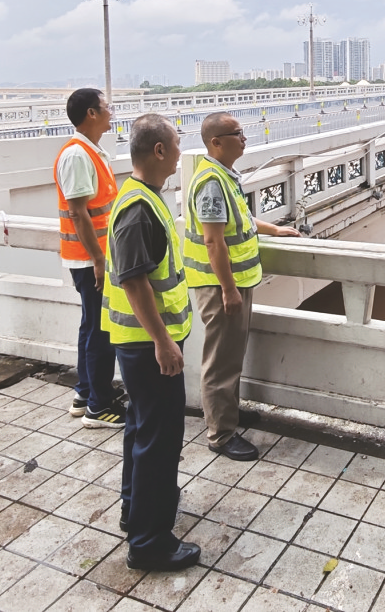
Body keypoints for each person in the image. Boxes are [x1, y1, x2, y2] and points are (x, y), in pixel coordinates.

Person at [102, 113, 200, 572]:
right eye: (177, 143)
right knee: (160, 441)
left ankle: (133, 511)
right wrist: (164, 342)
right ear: (159, 151)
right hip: (147, 347)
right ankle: (150, 543)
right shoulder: (139, 207)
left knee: (142, 431)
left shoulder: (146, 197)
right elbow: (135, 281)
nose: (181, 151)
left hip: (138, 344)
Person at [183, 112, 299, 461]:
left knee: (232, 356)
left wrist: (275, 230)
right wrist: (228, 289)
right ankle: (220, 434)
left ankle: (228, 415)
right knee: (221, 361)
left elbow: (241, 221)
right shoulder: (211, 183)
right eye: (237, 133)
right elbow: (213, 241)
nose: (244, 138)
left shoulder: (224, 176)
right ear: (216, 142)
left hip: (234, 283)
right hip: (220, 287)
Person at [53, 88, 127, 429]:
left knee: (91, 328)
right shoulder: (78, 156)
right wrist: (99, 260)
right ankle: (100, 407)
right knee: (101, 333)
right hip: (90, 260)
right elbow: (79, 214)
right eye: (106, 107)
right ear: (91, 114)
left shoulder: (92, 152)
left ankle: (85, 394)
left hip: (93, 257)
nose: (111, 112)